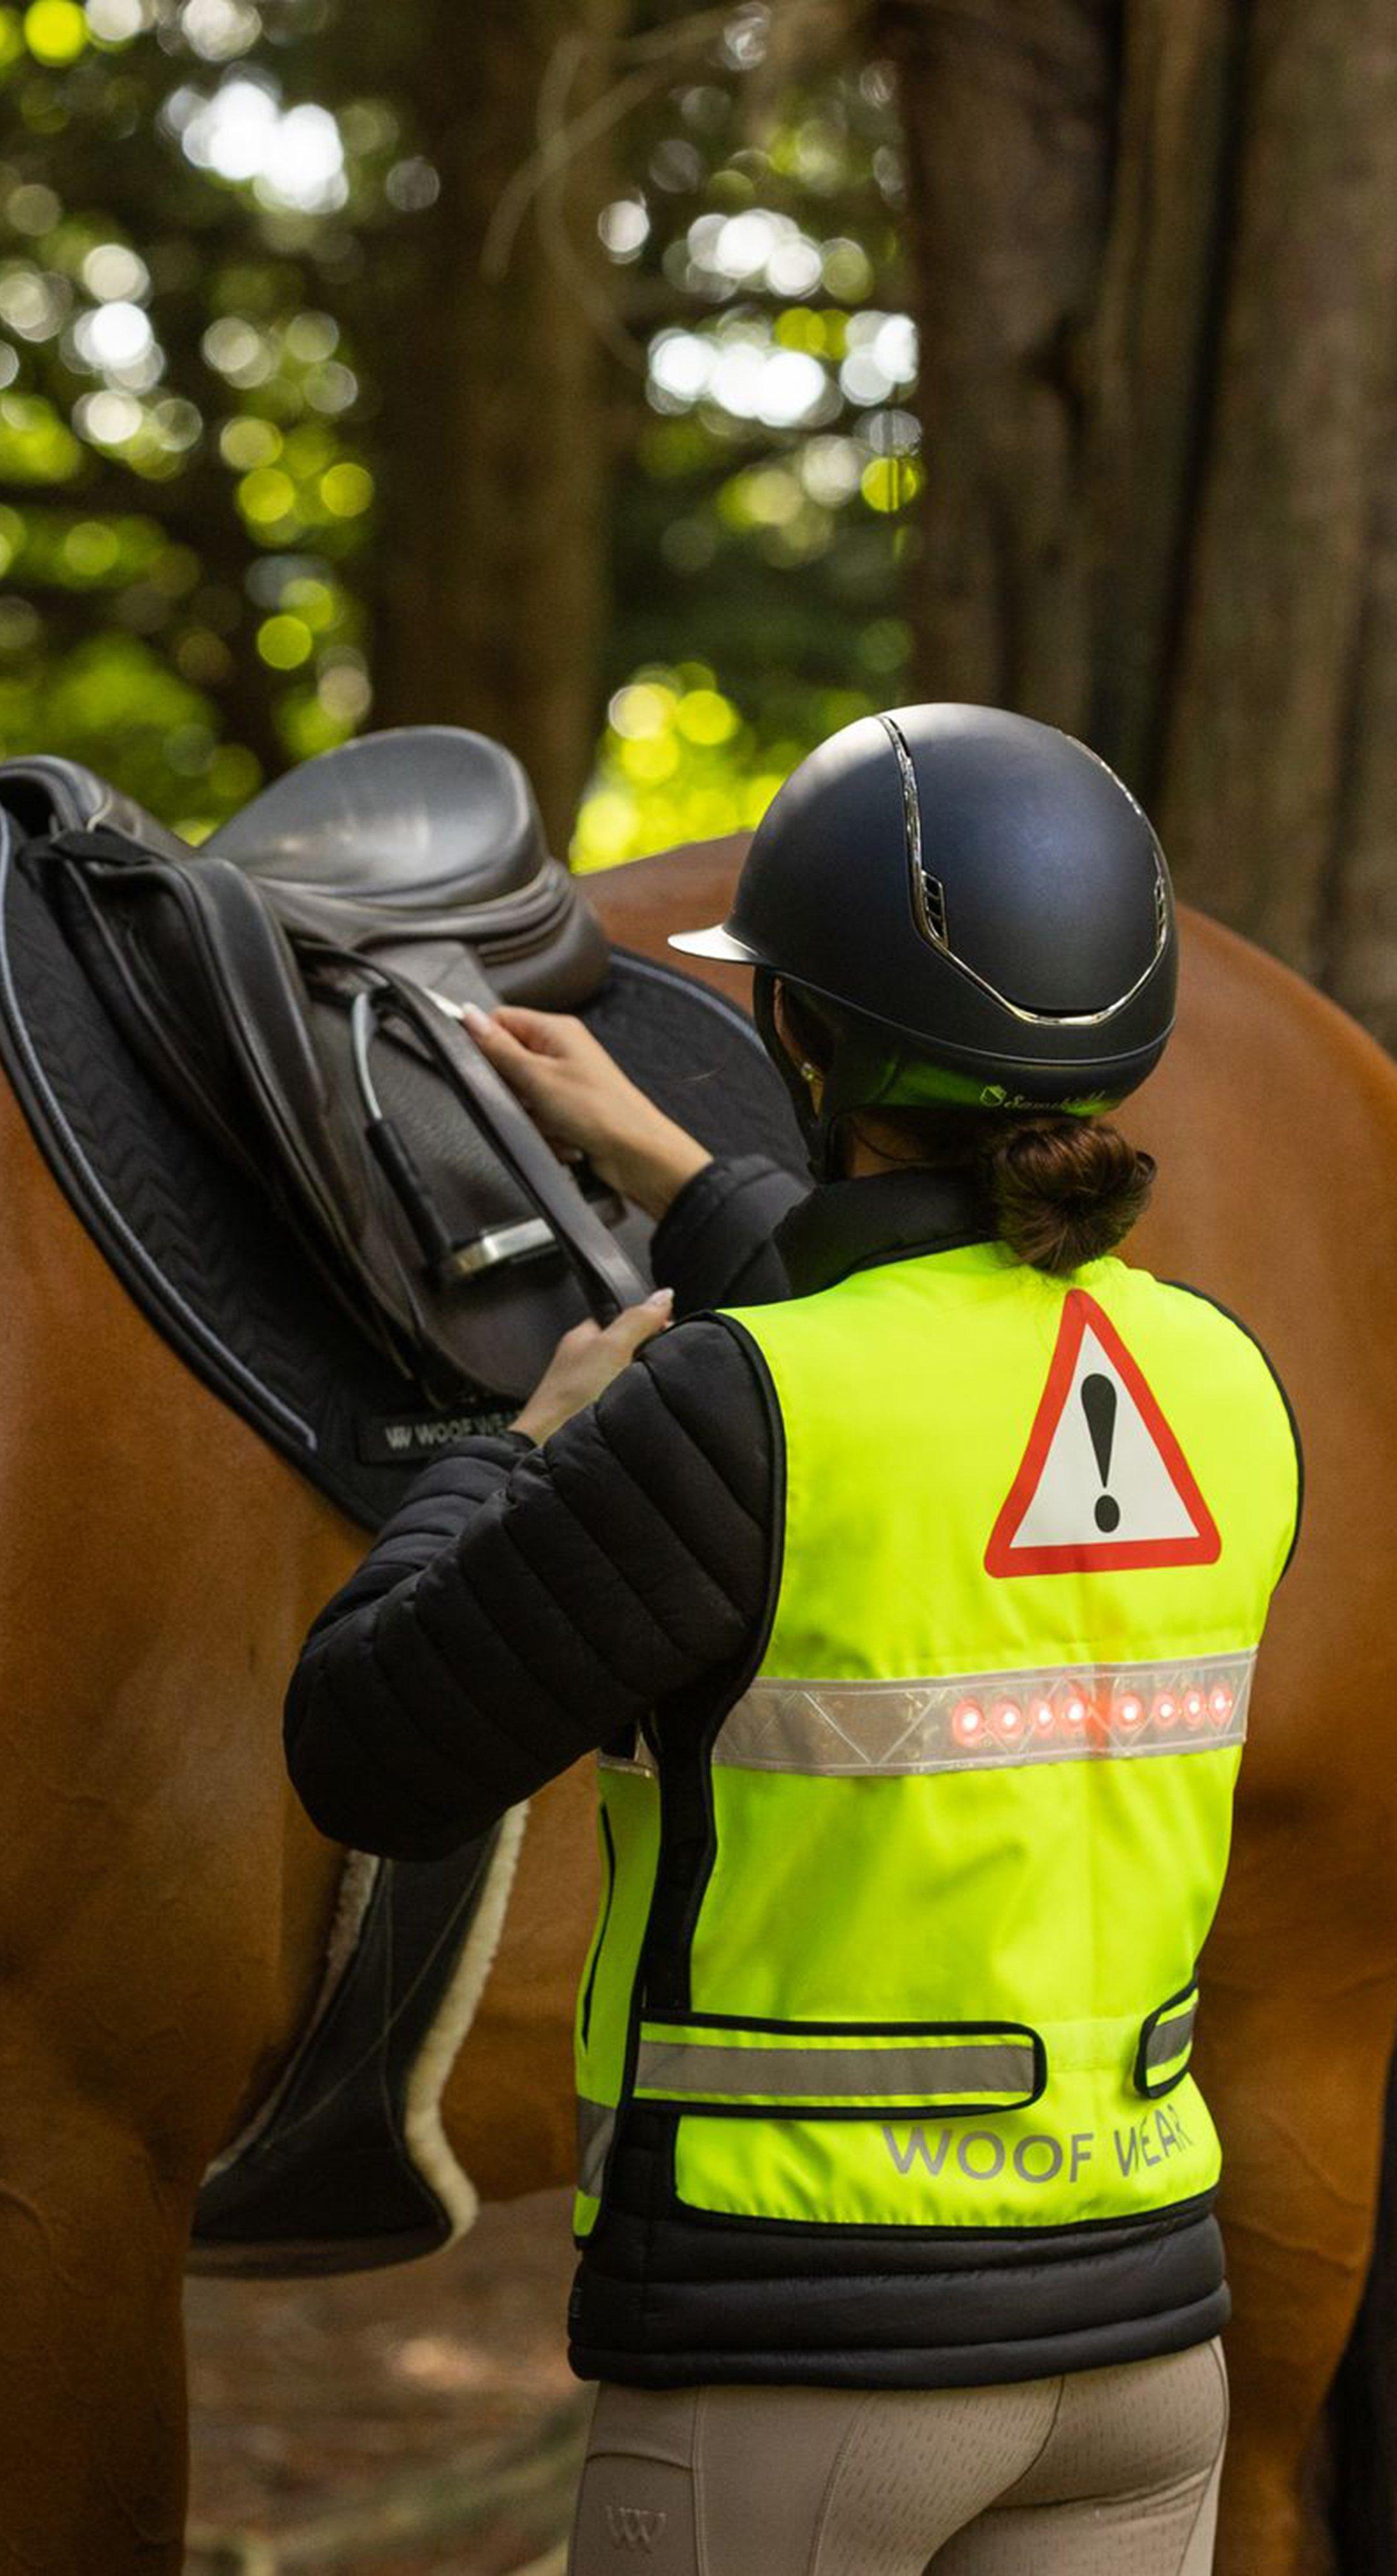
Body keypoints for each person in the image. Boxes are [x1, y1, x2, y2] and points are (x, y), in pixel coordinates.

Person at [283, 705, 1302, 2575]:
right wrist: (681, 1173)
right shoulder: (1223, 1385)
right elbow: (938, 1347)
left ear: (798, 1034)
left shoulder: (739, 1412)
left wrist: (515, 1460)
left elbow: (370, 1747)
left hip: (805, 2361)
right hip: (1148, 2359)